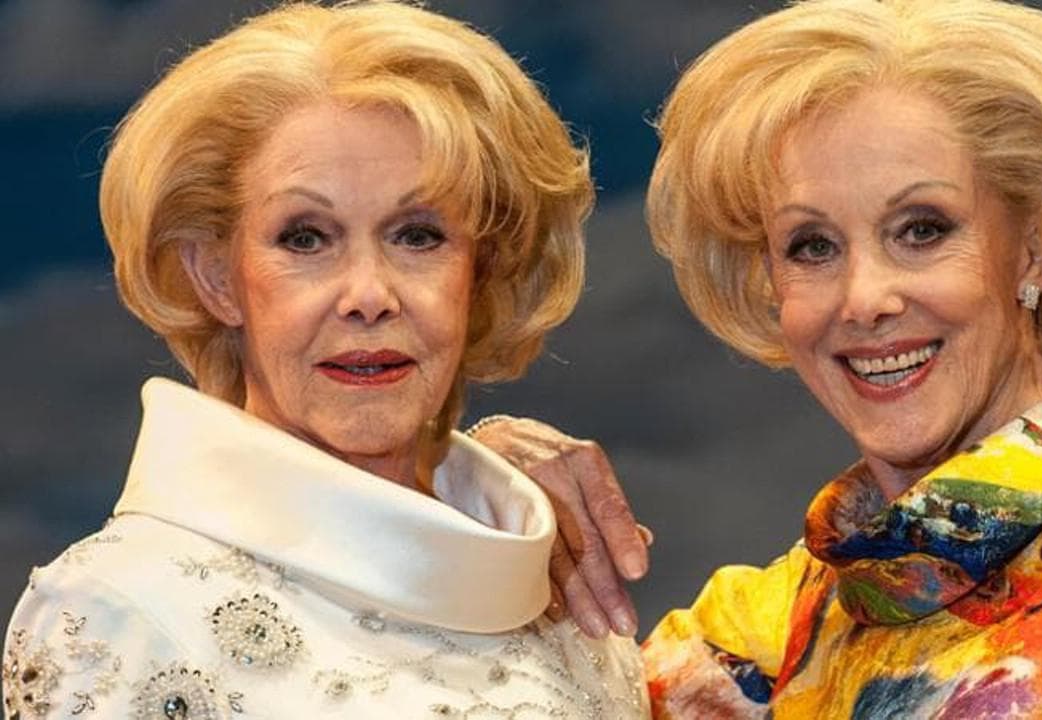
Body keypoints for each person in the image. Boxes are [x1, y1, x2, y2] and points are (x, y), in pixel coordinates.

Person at [470, 0, 1042, 717]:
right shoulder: (763, 641)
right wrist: (467, 485)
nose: (863, 298)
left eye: (921, 230)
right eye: (812, 246)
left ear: (1036, 247)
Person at [0, 2, 649, 718]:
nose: (369, 296)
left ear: (482, 268)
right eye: (305, 238)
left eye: (418, 236)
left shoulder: (561, 593)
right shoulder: (120, 609)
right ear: (216, 277)